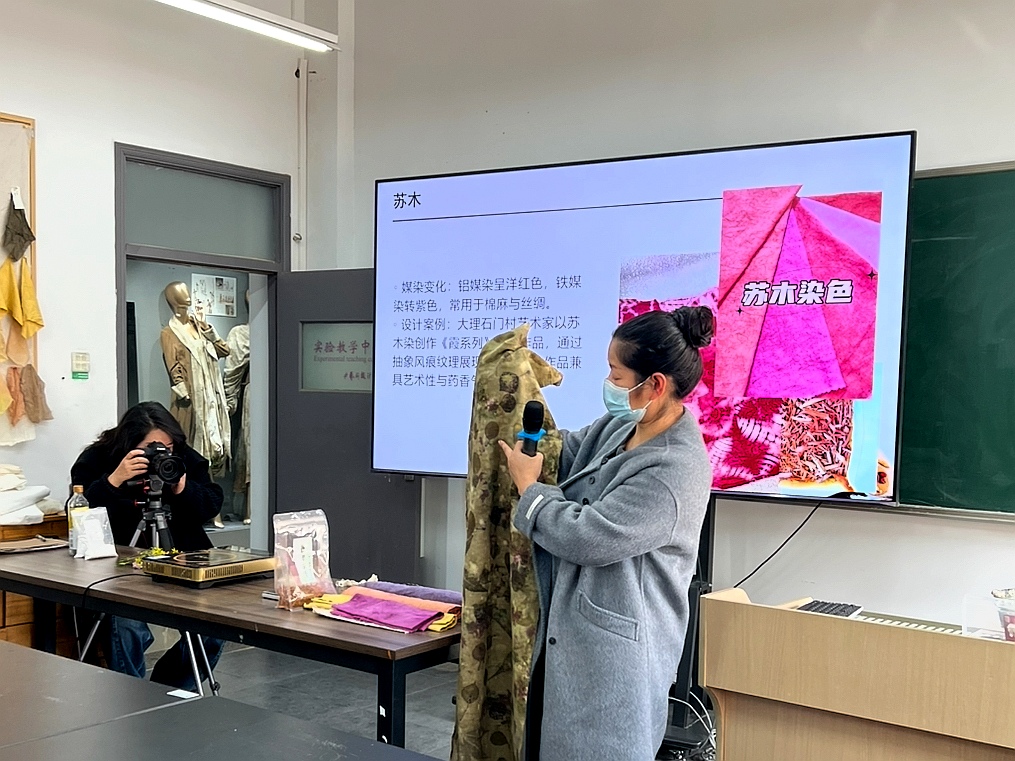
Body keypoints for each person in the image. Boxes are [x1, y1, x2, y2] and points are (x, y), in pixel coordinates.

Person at [498, 306, 714, 761]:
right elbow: (570, 452)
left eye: (616, 376)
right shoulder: (624, 424)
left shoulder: (675, 469)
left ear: (655, 384)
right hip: (574, 634)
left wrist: (529, 490)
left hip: (619, 657)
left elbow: (589, 538)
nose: (609, 384)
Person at [70, 401, 226, 691]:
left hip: (181, 557)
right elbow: (81, 510)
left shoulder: (182, 458)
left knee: (216, 625)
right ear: (128, 443)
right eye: (150, 448)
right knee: (126, 623)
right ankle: (132, 695)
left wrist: (182, 488)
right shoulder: (97, 458)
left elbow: (211, 504)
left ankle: (169, 691)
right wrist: (114, 479)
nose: (160, 454)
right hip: (120, 564)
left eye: (167, 447)